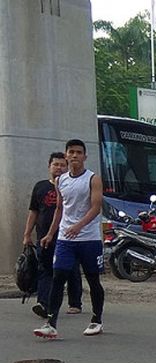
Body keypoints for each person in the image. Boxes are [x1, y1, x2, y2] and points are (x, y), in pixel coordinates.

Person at [34, 139, 106, 339]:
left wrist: (79, 226)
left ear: (85, 156)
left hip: (88, 238)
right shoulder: (61, 180)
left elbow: (96, 207)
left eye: (79, 152)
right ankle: (50, 323)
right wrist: (50, 233)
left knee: (92, 279)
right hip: (66, 239)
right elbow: (59, 208)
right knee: (58, 277)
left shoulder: (93, 179)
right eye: (71, 152)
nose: (75, 155)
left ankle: (96, 319)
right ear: (66, 155)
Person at [24, 152, 83, 318]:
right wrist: (27, 234)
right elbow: (33, 211)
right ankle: (44, 303)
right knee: (45, 269)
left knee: (70, 269)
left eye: (62, 165)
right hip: (43, 237)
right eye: (55, 164)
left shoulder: (71, 186)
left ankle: (75, 303)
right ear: (49, 166)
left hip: (67, 236)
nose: (59, 168)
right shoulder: (40, 187)